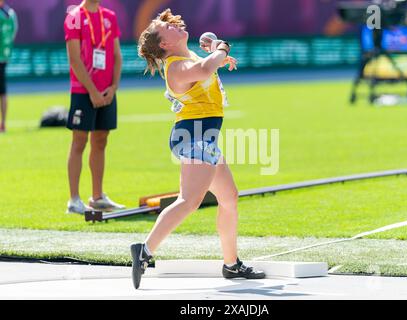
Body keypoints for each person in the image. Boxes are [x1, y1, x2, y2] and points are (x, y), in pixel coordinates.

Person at [130, 8, 265, 290]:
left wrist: (217, 55)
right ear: (164, 44)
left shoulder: (186, 57)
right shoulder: (176, 67)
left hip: (204, 136)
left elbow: (206, 66)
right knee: (189, 201)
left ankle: (231, 264)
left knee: (229, 197)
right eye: (167, 28)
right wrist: (222, 49)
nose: (176, 25)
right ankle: (144, 252)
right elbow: (205, 70)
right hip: (194, 136)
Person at [64, 0, 125, 214]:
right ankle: (74, 200)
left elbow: (117, 56)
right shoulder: (74, 17)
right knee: (79, 142)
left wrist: (114, 87)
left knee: (101, 140)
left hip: (107, 91)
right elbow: (74, 58)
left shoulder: (109, 16)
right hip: (83, 91)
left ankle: (97, 196)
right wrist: (92, 91)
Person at [0, 0, 18, 133]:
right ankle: (3, 123)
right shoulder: (11, 13)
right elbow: (13, 34)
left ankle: (3, 123)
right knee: (3, 91)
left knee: (3, 92)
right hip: (4, 56)